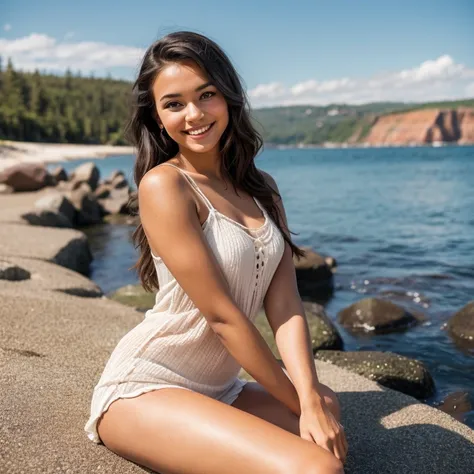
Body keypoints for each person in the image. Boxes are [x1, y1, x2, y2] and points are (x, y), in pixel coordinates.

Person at [84, 30, 348, 473]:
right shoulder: (165, 186)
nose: (194, 114)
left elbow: (285, 306)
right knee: (318, 467)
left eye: (206, 95)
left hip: (220, 387)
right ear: (158, 117)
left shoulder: (263, 189)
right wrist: (304, 405)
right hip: (147, 385)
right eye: (174, 103)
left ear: (228, 96)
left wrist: (310, 397)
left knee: (329, 408)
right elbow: (224, 319)